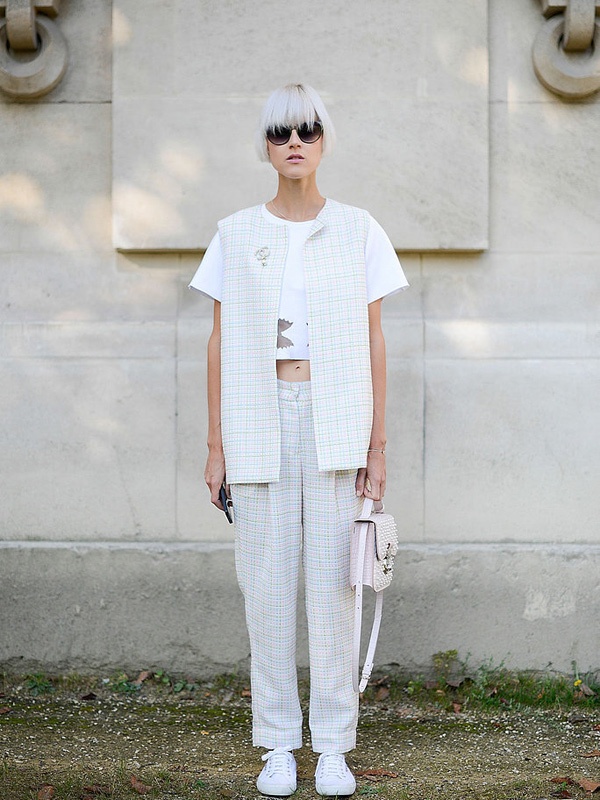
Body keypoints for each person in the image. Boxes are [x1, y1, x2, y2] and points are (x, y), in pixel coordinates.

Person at [189, 83, 408, 797]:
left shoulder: (358, 229)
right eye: (281, 131)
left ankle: (334, 746)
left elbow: (375, 340)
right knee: (266, 589)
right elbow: (219, 341)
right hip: (256, 418)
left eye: (307, 130)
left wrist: (377, 447)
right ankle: (279, 743)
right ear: (265, 144)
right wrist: (216, 445)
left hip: (336, 417)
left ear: (323, 141)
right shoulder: (234, 233)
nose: (294, 142)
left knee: (334, 590)